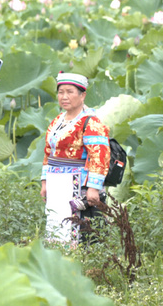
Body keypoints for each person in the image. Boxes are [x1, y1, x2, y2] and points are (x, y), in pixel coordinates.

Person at [40, 72, 110, 246]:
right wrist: (44, 182)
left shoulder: (91, 122)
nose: (64, 97)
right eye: (60, 92)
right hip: (56, 183)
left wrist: (94, 188)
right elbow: (48, 151)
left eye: (70, 92)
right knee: (56, 225)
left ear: (83, 95)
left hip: (77, 183)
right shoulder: (57, 121)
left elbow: (99, 155)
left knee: (75, 230)